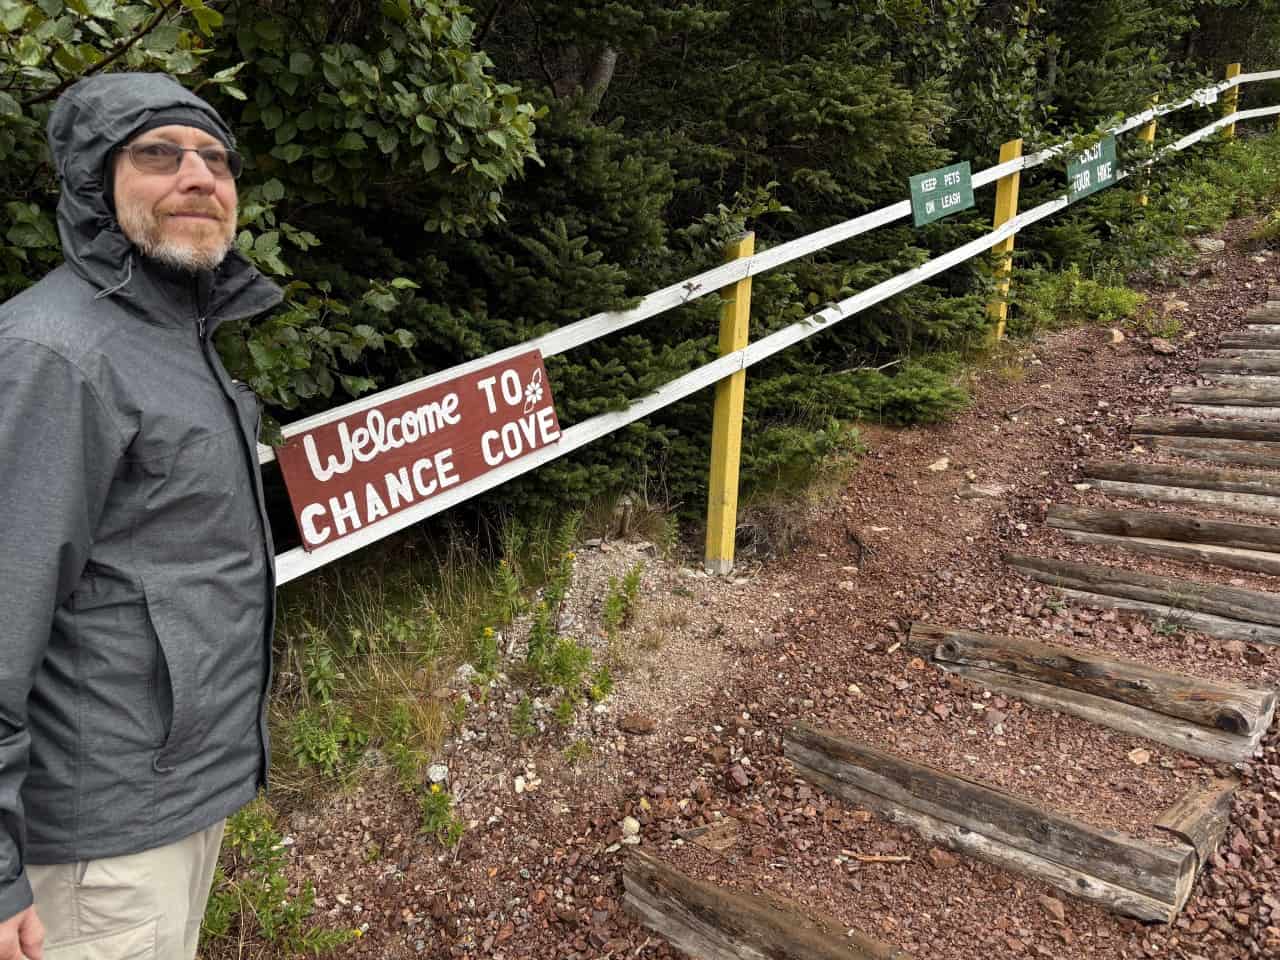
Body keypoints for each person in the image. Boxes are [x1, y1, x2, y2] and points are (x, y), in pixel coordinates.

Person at [0, 72, 281, 959]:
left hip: (176, 793)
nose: (197, 176)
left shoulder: (174, 337)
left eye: (215, 160)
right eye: (158, 155)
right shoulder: (56, 353)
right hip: (95, 834)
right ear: (94, 183)